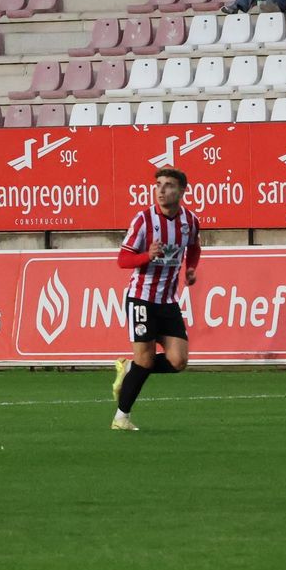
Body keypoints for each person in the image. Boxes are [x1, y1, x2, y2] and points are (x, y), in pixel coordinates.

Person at [110, 166, 199, 432]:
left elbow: (194, 247)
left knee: (178, 361)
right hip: (141, 299)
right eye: (158, 184)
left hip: (168, 301)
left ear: (182, 191)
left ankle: (129, 369)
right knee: (146, 359)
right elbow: (123, 260)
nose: (161, 190)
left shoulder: (190, 221)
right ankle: (121, 417)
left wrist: (191, 268)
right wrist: (146, 256)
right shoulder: (144, 220)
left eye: (169, 185)